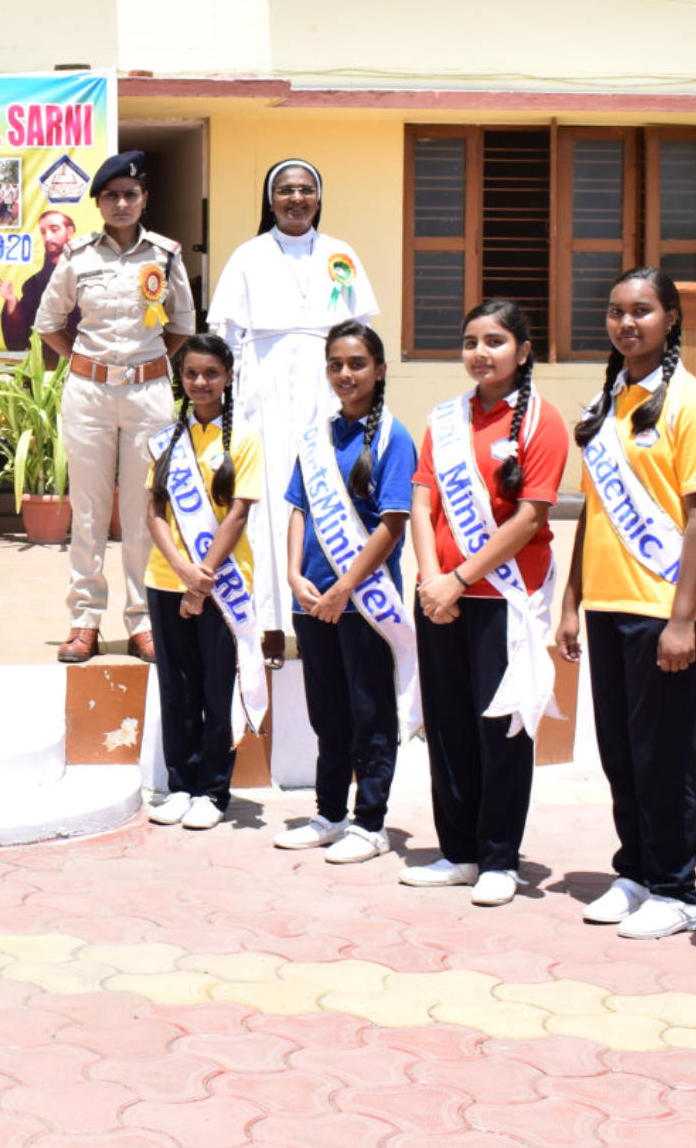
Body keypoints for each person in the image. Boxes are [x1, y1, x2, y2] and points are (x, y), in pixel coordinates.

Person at [557, 269, 696, 940]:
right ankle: (637, 871)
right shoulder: (607, 402)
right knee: (621, 753)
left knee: (665, 757)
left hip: (664, 608)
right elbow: (593, 512)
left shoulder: (692, 403)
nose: (627, 323)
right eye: (616, 311)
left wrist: (683, 621)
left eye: (643, 311)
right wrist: (571, 600)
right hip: (607, 602)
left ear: (672, 317)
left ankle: (677, 888)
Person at [405, 300, 567, 908]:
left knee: (502, 729)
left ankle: (500, 858)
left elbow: (530, 518)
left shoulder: (542, 422)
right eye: (471, 341)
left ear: (522, 351)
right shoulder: (445, 418)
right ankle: (459, 853)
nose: (480, 352)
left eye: (494, 341)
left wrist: (459, 578)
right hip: (440, 599)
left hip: (504, 599)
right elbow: (423, 502)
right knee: (448, 727)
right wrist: (432, 581)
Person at [208, 161, 380, 668]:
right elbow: (225, 337)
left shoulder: (340, 254)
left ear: (319, 198)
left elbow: (362, 331)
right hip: (264, 392)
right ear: (271, 199)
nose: (296, 198)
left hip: (327, 389)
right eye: (286, 190)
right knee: (266, 505)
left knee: (323, 498)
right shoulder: (248, 255)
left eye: (306, 189)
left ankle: (319, 614)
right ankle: (268, 623)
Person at [36, 152, 193, 663]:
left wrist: (146, 363)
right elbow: (49, 323)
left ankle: (144, 621)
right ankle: (84, 620)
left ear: (144, 199)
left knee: (144, 512)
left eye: (130, 194)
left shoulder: (166, 255)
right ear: (99, 203)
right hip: (90, 395)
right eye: (111, 196)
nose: (121, 203)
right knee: (89, 511)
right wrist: (87, 363)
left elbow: (181, 326)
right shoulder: (78, 256)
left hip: (148, 396)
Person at [275, 322, 417, 866]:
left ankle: (371, 823)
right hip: (313, 600)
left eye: (357, 363)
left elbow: (392, 524)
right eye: (335, 364)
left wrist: (345, 587)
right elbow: (299, 508)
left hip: (365, 604)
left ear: (379, 370)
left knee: (369, 715)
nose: (345, 373)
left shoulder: (394, 438)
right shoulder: (317, 437)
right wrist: (294, 574)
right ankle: (329, 814)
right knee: (327, 715)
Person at [144, 335, 263, 829]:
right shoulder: (166, 441)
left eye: (211, 373)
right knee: (177, 689)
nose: (200, 382)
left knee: (218, 691)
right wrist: (181, 570)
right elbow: (154, 512)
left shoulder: (244, 440)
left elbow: (238, 515)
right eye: (191, 373)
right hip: (165, 580)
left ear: (228, 377)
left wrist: (200, 581)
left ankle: (213, 792)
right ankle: (181, 785)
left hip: (223, 585)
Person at [0, 209, 77, 362]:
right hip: (48, 367)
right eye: (43, 232)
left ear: (70, 232)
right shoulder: (33, 285)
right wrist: (12, 303)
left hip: (89, 364)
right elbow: (20, 340)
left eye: (54, 229)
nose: (48, 237)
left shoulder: (89, 273)